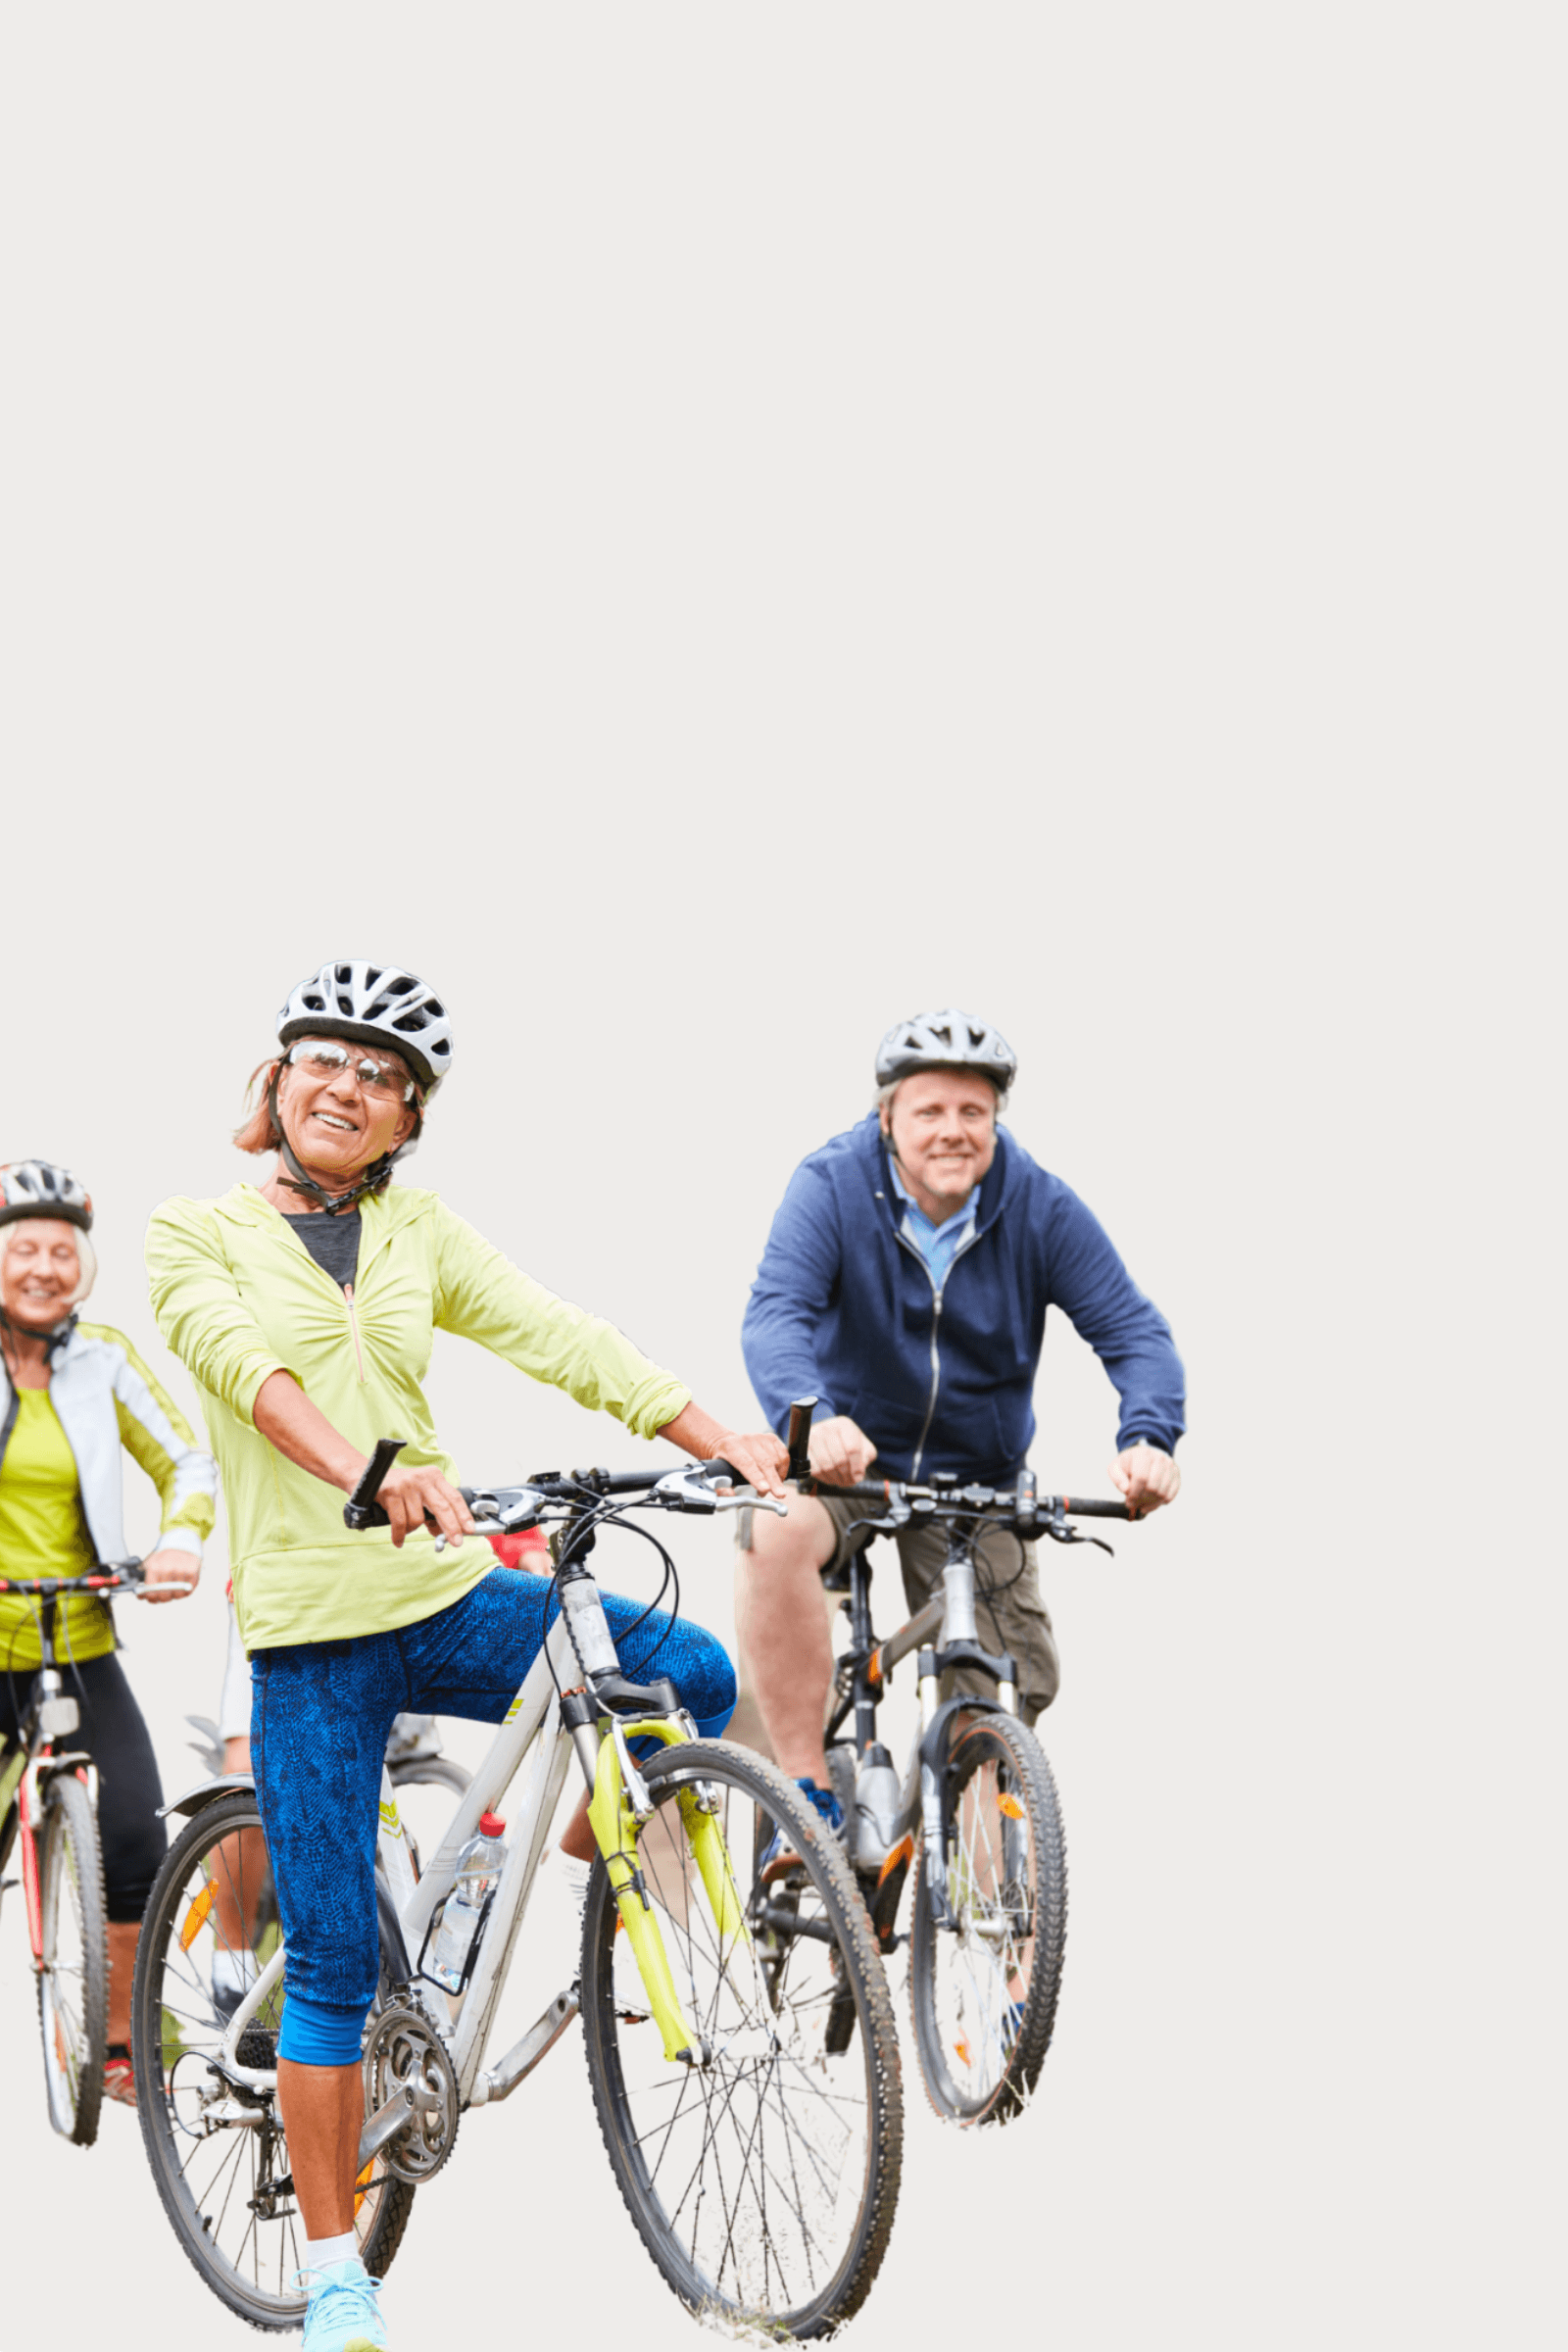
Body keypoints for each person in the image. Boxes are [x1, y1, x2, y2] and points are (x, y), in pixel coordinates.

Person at [145, 959, 786, 2352]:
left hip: (439, 1590)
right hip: (313, 1631)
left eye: (383, 1081)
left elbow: (556, 1333)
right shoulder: (189, 1231)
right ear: (278, 1080)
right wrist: (368, 1469)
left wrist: (710, 1434)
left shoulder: (418, 1228)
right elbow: (244, 1370)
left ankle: (598, 1846)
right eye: (327, 1062)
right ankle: (333, 2274)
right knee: (328, 1968)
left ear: (404, 1122)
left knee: (689, 1669)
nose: (350, 1090)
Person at [734, 1007, 1185, 1856]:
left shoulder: (1040, 1206)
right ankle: (805, 1795)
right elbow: (776, 1315)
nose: (953, 1132)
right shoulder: (831, 1185)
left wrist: (1149, 1438)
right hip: (847, 1465)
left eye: (973, 1113)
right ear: (887, 1118)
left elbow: (1133, 1331)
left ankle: (999, 1933)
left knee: (997, 1704)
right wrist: (816, 1418)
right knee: (774, 1525)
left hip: (974, 1478)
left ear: (995, 1123)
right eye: (930, 1112)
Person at [0, 1159, 215, 2103]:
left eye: (61, 1251)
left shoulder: (105, 1358)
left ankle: (124, 2046)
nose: (43, 1267)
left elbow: (189, 1463)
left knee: (133, 1836)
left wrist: (177, 1544)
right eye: (23, 1250)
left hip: (78, 1637)